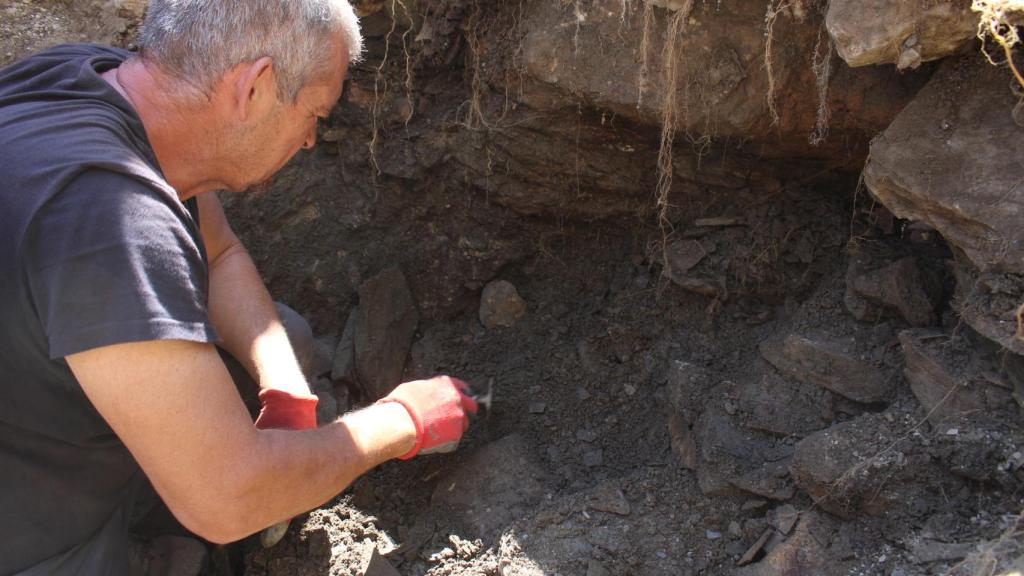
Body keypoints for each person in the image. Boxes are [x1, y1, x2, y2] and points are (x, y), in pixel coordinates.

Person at [0, 1, 477, 574]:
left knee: (288, 341)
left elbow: (220, 252)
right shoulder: (107, 221)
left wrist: (282, 386)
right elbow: (226, 500)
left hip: (37, 413)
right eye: (314, 115)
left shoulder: (87, 79)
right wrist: (403, 420)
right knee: (217, 500)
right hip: (30, 531)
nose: (308, 141)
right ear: (255, 87)